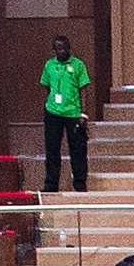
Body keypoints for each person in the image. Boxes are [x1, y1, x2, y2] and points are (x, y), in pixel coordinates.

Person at [37, 34, 93, 193]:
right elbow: (47, 87)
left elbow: (83, 90)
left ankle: (80, 184)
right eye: (58, 48)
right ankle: (51, 184)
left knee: (78, 150)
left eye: (64, 48)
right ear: (54, 50)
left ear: (69, 48)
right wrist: (50, 104)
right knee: (52, 149)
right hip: (53, 112)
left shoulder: (78, 65)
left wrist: (83, 113)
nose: (61, 51)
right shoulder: (49, 65)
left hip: (73, 113)